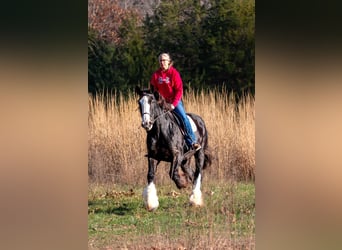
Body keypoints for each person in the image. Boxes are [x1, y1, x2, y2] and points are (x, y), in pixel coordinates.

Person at [150, 52, 201, 151]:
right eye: (160, 60)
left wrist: (173, 104)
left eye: (164, 60)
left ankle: (192, 141)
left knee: (183, 118)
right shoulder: (156, 75)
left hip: (174, 102)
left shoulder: (173, 73)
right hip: (161, 103)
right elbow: (153, 90)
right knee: (152, 119)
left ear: (169, 62)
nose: (162, 62)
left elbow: (179, 90)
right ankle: (153, 145)